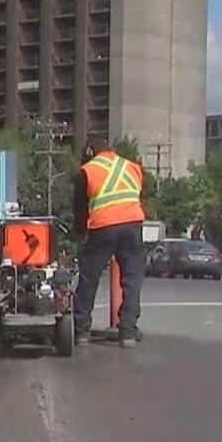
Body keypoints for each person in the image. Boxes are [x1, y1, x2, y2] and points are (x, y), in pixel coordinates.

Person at [71, 139, 146, 348]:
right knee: (132, 279)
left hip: (102, 227)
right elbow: (137, 196)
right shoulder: (132, 166)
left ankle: (81, 330)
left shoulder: (87, 171)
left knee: (89, 277)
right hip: (132, 224)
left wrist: (80, 234)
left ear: (89, 151)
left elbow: (80, 209)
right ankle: (128, 332)